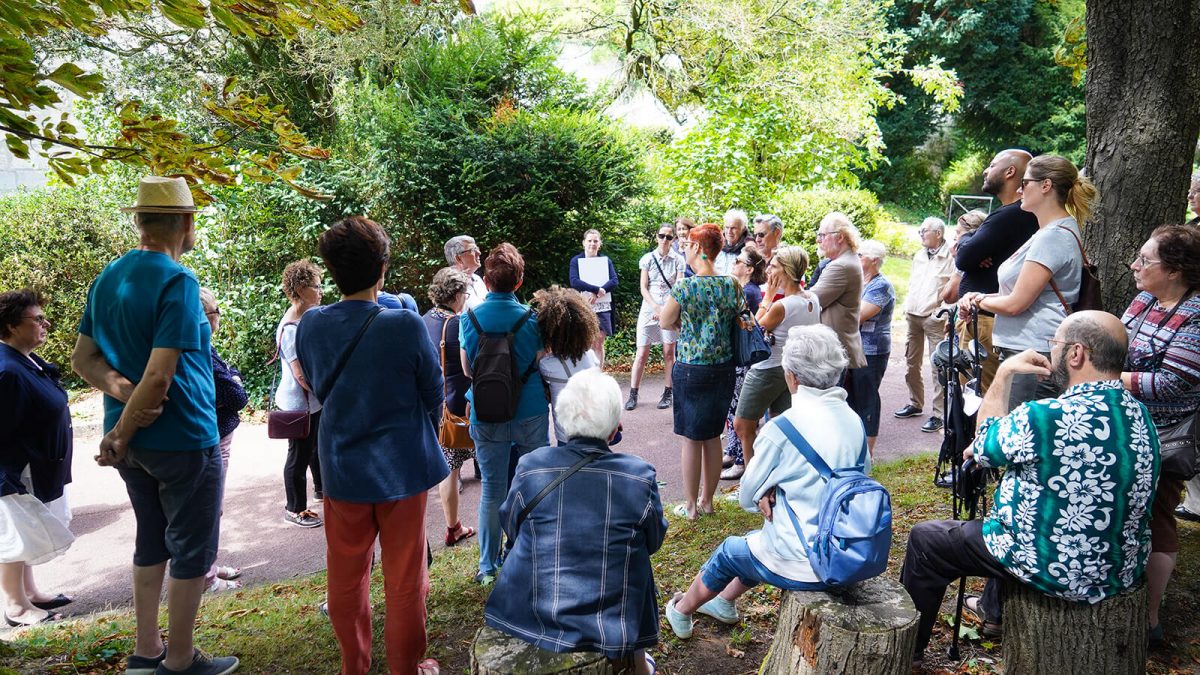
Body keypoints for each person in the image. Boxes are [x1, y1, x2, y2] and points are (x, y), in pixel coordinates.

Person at [900, 311, 1157, 661]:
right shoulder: (1140, 413)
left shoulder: (1045, 416)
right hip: (1118, 568)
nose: (1052, 352)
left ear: (1076, 354)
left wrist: (1004, 372)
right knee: (1022, 511)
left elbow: (984, 447)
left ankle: (909, 652)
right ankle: (993, 611)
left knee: (926, 541)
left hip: (1056, 567)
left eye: (1055, 344)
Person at [71, 175, 237, 674]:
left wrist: (123, 403)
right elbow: (161, 374)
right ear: (186, 224)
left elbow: (84, 360)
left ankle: (146, 652)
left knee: (151, 538)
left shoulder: (109, 276)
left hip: (136, 446)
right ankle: (183, 661)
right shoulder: (178, 280)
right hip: (184, 437)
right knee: (191, 549)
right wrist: (123, 424)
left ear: (139, 222)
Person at [295, 216, 447, 675]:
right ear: (382, 268)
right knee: (404, 580)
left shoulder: (311, 325)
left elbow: (319, 385)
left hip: (342, 468)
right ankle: (406, 668)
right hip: (402, 469)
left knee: (345, 578)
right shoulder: (402, 324)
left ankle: (354, 666)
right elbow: (433, 392)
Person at [665, 325, 869, 637]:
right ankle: (723, 601)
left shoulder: (783, 428)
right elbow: (857, 478)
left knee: (731, 551)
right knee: (759, 542)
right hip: (846, 552)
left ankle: (681, 611)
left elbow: (747, 496)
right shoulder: (853, 421)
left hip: (805, 562)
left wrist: (764, 489)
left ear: (792, 377)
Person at [485, 369, 665, 675]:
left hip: (531, 608)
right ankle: (637, 661)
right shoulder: (639, 476)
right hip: (610, 620)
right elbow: (654, 541)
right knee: (635, 560)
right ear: (614, 429)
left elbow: (510, 526)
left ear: (564, 421)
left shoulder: (531, 467)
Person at [959, 154, 1098, 409]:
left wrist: (977, 300)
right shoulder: (1048, 232)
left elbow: (1016, 303)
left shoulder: (1053, 236)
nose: (1020, 189)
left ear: (1046, 186)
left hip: (1034, 351)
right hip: (1027, 348)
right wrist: (978, 298)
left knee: (1023, 439)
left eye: (1026, 182)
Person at [1119, 225, 1200, 645]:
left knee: (1158, 516)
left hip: (1165, 437)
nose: (1135, 265)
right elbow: (1115, 343)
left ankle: (1148, 619)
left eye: (1145, 260)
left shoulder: (1197, 313)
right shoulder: (1144, 299)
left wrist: (1112, 377)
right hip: (1125, 426)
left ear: (1174, 270)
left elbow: (1174, 382)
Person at [460, 243, 549, 585]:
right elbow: (539, 359)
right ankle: (529, 553)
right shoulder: (532, 318)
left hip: (487, 411)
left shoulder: (468, 318)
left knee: (493, 490)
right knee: (532, 484)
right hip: (529, 410)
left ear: (486, 279)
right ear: (519, 281)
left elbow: (469, 370)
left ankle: (487, 564)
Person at [0, 290, 75, 626]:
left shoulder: (23, 359)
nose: (46, 324)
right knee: (13, 534)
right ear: (12, 326)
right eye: (37, 319)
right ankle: (15, 607)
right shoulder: (7, 370)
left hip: (38, 463)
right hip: (15, 470)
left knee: (27, 530)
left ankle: (30, 592)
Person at [660, 224, 741, 520]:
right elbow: (742, 318)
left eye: (688, 244)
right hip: (723, 368)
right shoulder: (731, 284)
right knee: (713, 435)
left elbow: (666, 321)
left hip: (692, 368)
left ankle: (691, 506)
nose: (684, 247)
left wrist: (686, 326)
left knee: (691, 438)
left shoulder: (686, 286)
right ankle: (708, 501)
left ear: (698, 249)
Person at [727, 247, 820, 478]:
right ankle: (779, 475)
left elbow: (750, 331)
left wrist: (767, 298)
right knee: (782, 425)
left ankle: (752, 479)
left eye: (774, 266)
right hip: (790, 370)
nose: (768, 270)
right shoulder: (812, 299)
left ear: (786, 272)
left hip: (767, 370)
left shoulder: (782, 306)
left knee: (742, 425)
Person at [954, 149, 1040, 391]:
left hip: (985, 321)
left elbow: (963, 258)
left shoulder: (1010, 216)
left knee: (978, 393)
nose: (985, 170)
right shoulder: (1017, 215)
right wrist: (971, 240)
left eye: (992, 165)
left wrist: (966, 240)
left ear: (1010, 171)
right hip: (986, 317)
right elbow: (969, 253)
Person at [421, 267, 477, 548]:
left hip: (435, 403)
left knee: (448, 466)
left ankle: (453, 525)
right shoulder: (458, 323)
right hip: (458, 404)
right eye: (465, 293)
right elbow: (470, 365)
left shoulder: (424, 319)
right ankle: (453, 528)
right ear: (456, 295)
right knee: (454, 469)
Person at [200, 288, 248, 593]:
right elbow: (235, 394)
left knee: (212, 505)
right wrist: (234, 380)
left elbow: (230, 382)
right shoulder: (200, 350)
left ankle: (211, 567)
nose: (218, 316)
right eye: (216, 310)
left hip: (219, 436)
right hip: (213, 439)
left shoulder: (206, 347)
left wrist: (232, 378)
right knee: (208, 507)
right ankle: (206, 577)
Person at [894, 217, 954, 434]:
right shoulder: (919, 255)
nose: (920, 234)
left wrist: (940, 315)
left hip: (933, 318)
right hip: (913, 316)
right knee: (911, 363)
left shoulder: (951, 256)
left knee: (938, 367)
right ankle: (915, 403)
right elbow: (913, 283)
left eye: (924, 231)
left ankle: (938, 415)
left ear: (938, 233)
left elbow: (953, 289)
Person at [276, 260, 324, 528]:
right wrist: (325, 391)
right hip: (298, 404)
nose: (321, 291)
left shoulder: (304, 317)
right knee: (298, 455)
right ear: (300, 289)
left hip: (311, 402)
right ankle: (294, 509)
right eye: (316, 287)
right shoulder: (291, 328)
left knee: (314, 447)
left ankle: (321, 490)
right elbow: (301, 375)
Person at [722, 248, 772, 479]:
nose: (734, 262)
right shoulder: (743, 289)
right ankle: (732, 451)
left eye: (739, 261)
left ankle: (741, 460)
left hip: (744, 356)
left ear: (749, 269)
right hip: (739, 355)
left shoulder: (748, 292)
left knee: (740, 407)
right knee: (733, 405)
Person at [627, 224, 686, 411]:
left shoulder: (678, 260)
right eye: (662, 236)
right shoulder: (647, 259)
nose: (665, 240)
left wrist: (665, 309)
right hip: (649, 308)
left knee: (669, 352)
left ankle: (668, 392)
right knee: (641, 353)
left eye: (669, 237)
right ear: (656, 236)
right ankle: (633, 393)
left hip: (670, 307)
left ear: (673, 239)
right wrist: (655, 307)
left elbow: (679, 286)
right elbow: (643, 287)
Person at [533, 285, 601, 445]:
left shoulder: (548, 365)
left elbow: (538, 364)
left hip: (565, 434)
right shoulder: (591, 358)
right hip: (592, 430)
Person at [848, 241, 895, 454]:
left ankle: (868, 453)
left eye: (861, 255)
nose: (856, 258)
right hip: (854, 347)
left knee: (867, 398)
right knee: (851, 397)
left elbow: (857, 316)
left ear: (874, 260)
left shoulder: (881, 286)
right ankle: (852, 447)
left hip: (872, 351)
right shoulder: (858, 281)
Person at [810, 213, 866, 372]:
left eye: (822, 235)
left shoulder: (840, 266)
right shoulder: (848, 260)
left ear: (840, 237)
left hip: (834, 351)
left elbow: (811, 301)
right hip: (839, 347)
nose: (818, 240)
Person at [568, 229, 618, 367]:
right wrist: (595, 289)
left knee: (599, 341)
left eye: (595, 241)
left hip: (602, 305)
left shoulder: (605, 260)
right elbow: (574, 281)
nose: (592, 243)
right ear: (584, 243)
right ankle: (586, 373)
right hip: (584, 306)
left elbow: (614, 280)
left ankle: (598, 375)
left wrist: (599, 293)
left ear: (600, 243)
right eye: (589, 240)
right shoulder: (576, 261)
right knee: (586, 341)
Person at [941, 209, 988, 306]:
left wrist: (961, 261)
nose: (955, 237)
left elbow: (948, 296)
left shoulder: (977, 262)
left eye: (958, 233)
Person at [445, 235, 489, 310]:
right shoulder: (449, 284)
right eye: (472, 250)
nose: (479, 252)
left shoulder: (477, 279)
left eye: (477, 249)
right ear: (458, 258)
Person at [714, 209, 750, 276]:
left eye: (733, 228)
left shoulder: (748, 249)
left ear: (743, 229)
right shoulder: (716, 245)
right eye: (727, 227)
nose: (729, 231)